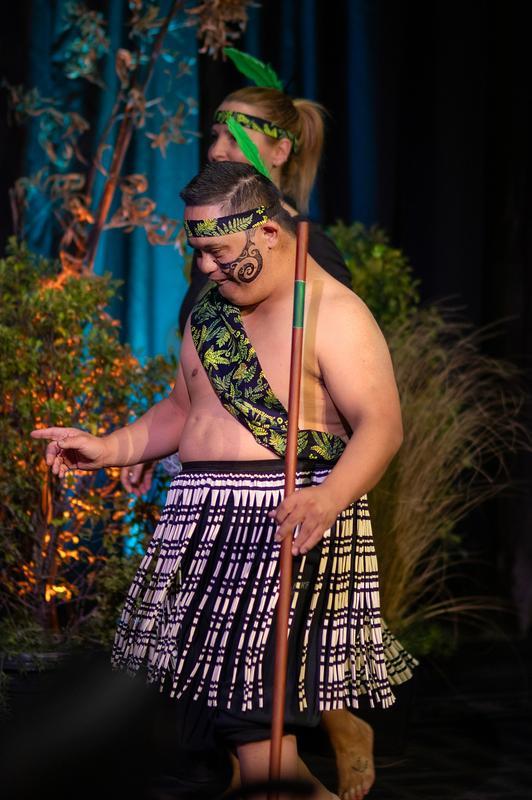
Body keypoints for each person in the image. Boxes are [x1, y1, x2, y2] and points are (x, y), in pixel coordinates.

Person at [32, 162, 416, 800]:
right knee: (258, 764)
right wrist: (108, 447)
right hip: (203, 539)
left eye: (217, 250)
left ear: (266, 232)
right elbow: (184, 410)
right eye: (198, 250)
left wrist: (328, 497)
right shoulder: (213, 308)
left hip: (279, 535)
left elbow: (383, 425)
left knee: (263, 759)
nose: (205, 266)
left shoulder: (334, 314)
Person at [121, 87, 412, 800]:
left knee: (257, 748)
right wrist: (142, 444)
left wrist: (328, 495)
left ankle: (338, 717)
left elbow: (331, 401)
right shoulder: (218, 272)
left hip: (271, 523)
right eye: (214, 136)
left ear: (280, 150)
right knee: (214, 744)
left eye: (238, 138)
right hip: (204, 522)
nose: (217, 148)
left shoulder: (314, 268)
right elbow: (196, 389)